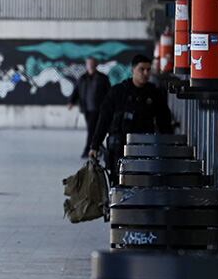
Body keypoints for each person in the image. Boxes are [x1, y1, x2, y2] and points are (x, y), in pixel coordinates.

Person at [88, 54, 173, 185]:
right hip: (119, 148)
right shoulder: (118, 92)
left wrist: (169, 147)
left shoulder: (154, 94)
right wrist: (94, 145)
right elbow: (104, 120)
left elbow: (164, 122)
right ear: (133, 70)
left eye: (148, 70)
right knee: (118, 184)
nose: (145, 73)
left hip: (144, 149)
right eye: (141, 69)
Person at [68, 57, 111, 158]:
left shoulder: (102, 78)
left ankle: (87, 149)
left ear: (96, 65)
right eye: (88, 63)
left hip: (98, 108)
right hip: (86, 108)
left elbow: (109, 92)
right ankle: (100, 148)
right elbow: (76, 90)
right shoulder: (82, 78)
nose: (90, 65)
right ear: (86, 65)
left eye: (92, 63)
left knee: (92, 130)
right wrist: (71, 102)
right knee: (93, 130)